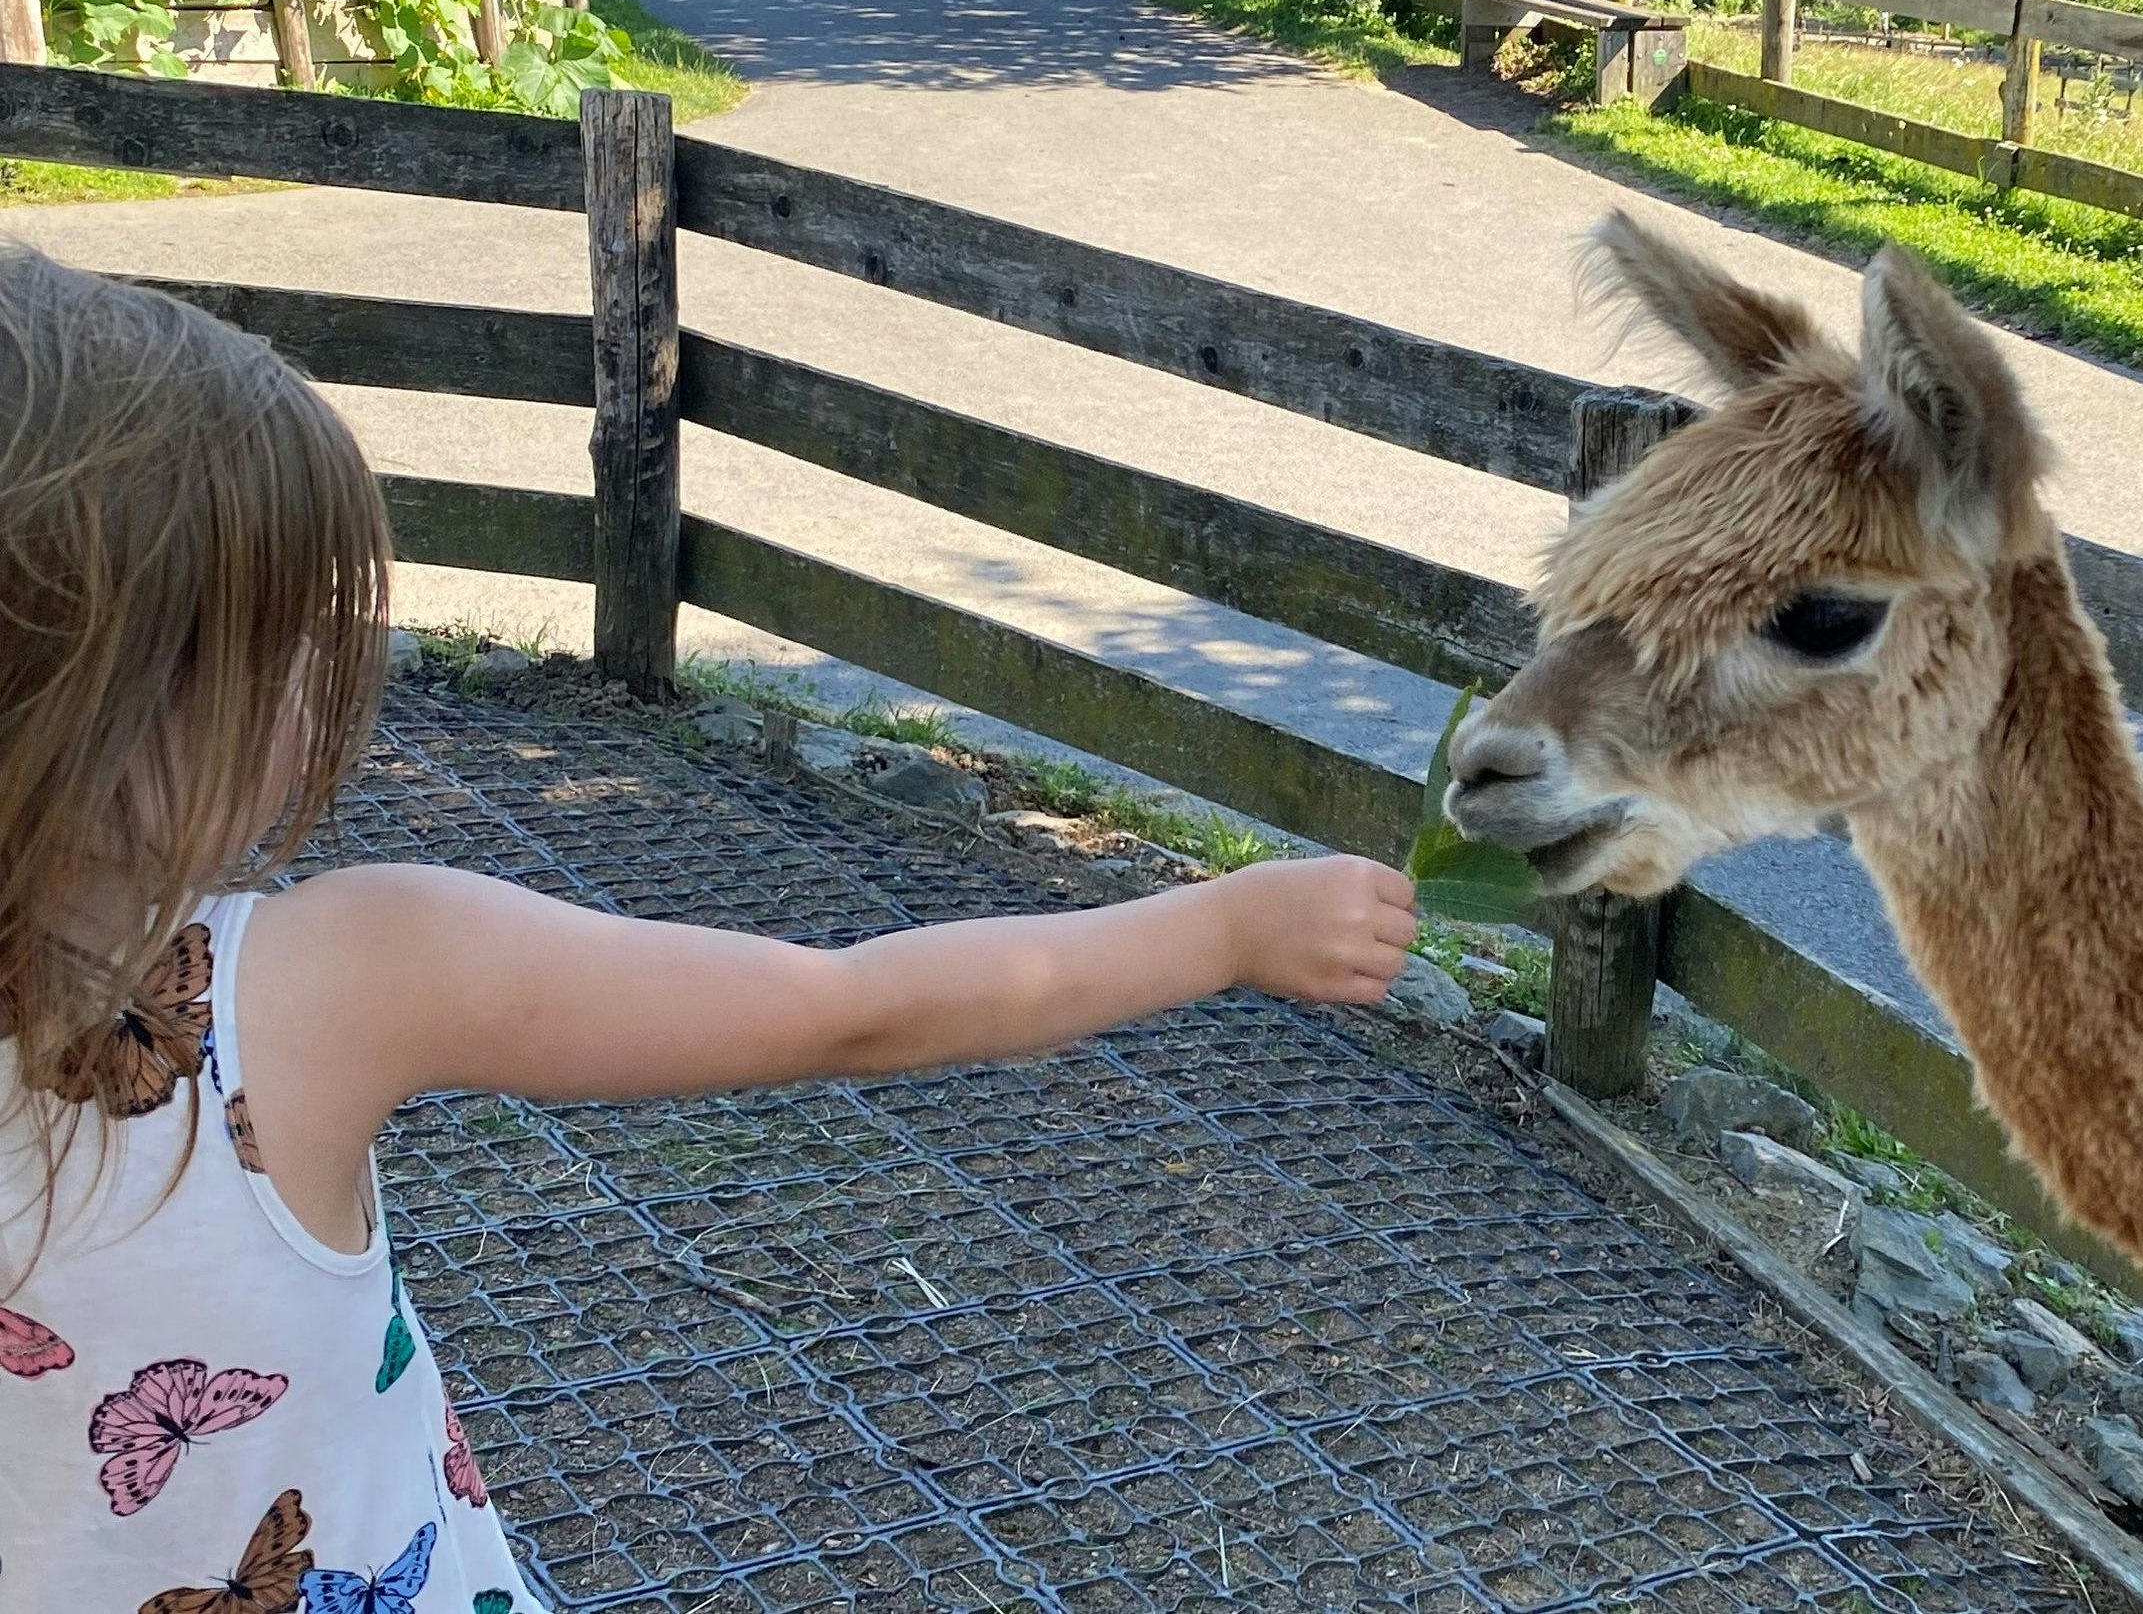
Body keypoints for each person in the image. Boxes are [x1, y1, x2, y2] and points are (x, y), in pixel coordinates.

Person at [0, 247, 1418, 1612]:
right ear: (108, 693)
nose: (326, 669)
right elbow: (849, 1006)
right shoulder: (331, 982)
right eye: (274, 634)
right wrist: (1223, 929)